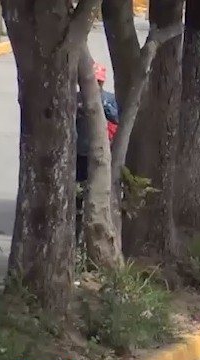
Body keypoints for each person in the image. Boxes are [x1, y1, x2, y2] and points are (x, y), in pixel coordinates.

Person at [75, 63, 120, 242]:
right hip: (78, 154)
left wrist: (104, 106)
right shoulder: (75, 98)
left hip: (99, 155)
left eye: (99, 82)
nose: (96, 85)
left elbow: (116, 117)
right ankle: (75, 231)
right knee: (77, 195)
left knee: (97, 196)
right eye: (93, 81)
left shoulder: (108, 98)